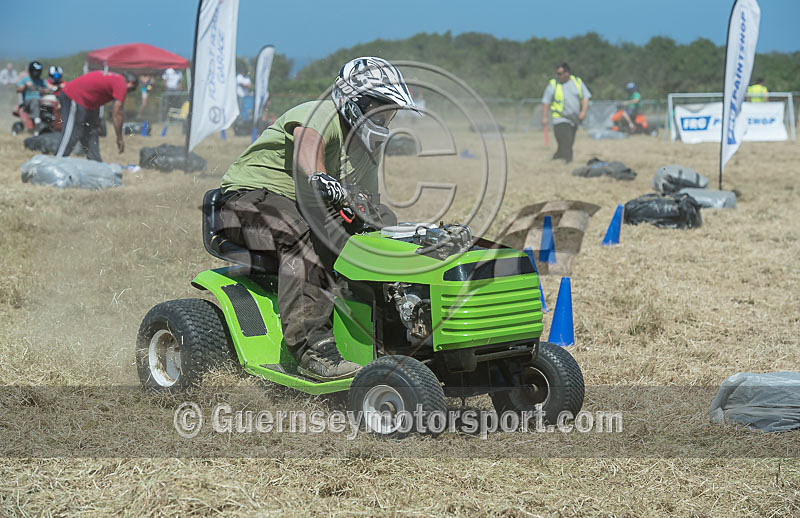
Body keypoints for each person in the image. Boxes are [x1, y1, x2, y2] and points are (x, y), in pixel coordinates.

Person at [218, 57, 415, 381]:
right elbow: (308, 144)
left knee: (386, 229)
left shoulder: (367, 144)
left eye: (388, 112)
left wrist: (376, 224)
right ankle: (312, 348)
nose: (383, 118)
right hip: (246, 200)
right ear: (353, 99)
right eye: (377, 108)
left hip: (304, 207)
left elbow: (366, 202)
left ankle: (392, 328)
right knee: (299, 234)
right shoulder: (321, 112)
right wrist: (319, 176)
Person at [55, 70, 138, 162]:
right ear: (131, 82)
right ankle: (57, 161)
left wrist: (95, 120)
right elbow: (117, 114)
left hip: (86, 103)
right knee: (72, 132)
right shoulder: (121, 83)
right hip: (73, 96)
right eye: (132, 89)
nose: (129, 92)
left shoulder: (115, 79)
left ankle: (95, 162)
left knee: (91, 132)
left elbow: (95, 95)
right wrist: (119, 138)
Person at [541, 62, 591, 164]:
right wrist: (544, 117)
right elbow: (546, 101)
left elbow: (586, 97)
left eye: (559, 74)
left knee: (569, 141)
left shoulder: (577, 82)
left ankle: (557, 156)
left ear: (567, 73)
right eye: (556, 73)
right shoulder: (553, 84)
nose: (557, 76)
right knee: (565, 140)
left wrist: (583, 112)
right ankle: (568, 161)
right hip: (559, 118)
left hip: (574, 119)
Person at [16, 61, 47, 127]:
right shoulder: (25, 80)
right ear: (31, 71)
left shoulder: (42, 81)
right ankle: (36, 121)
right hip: (28, 102)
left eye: (38, 71)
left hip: (41, 101)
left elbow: (49, 87)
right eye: (35, 71)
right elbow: (18, 90)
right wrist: (25, 85)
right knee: (35, 100)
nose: (37, 73)